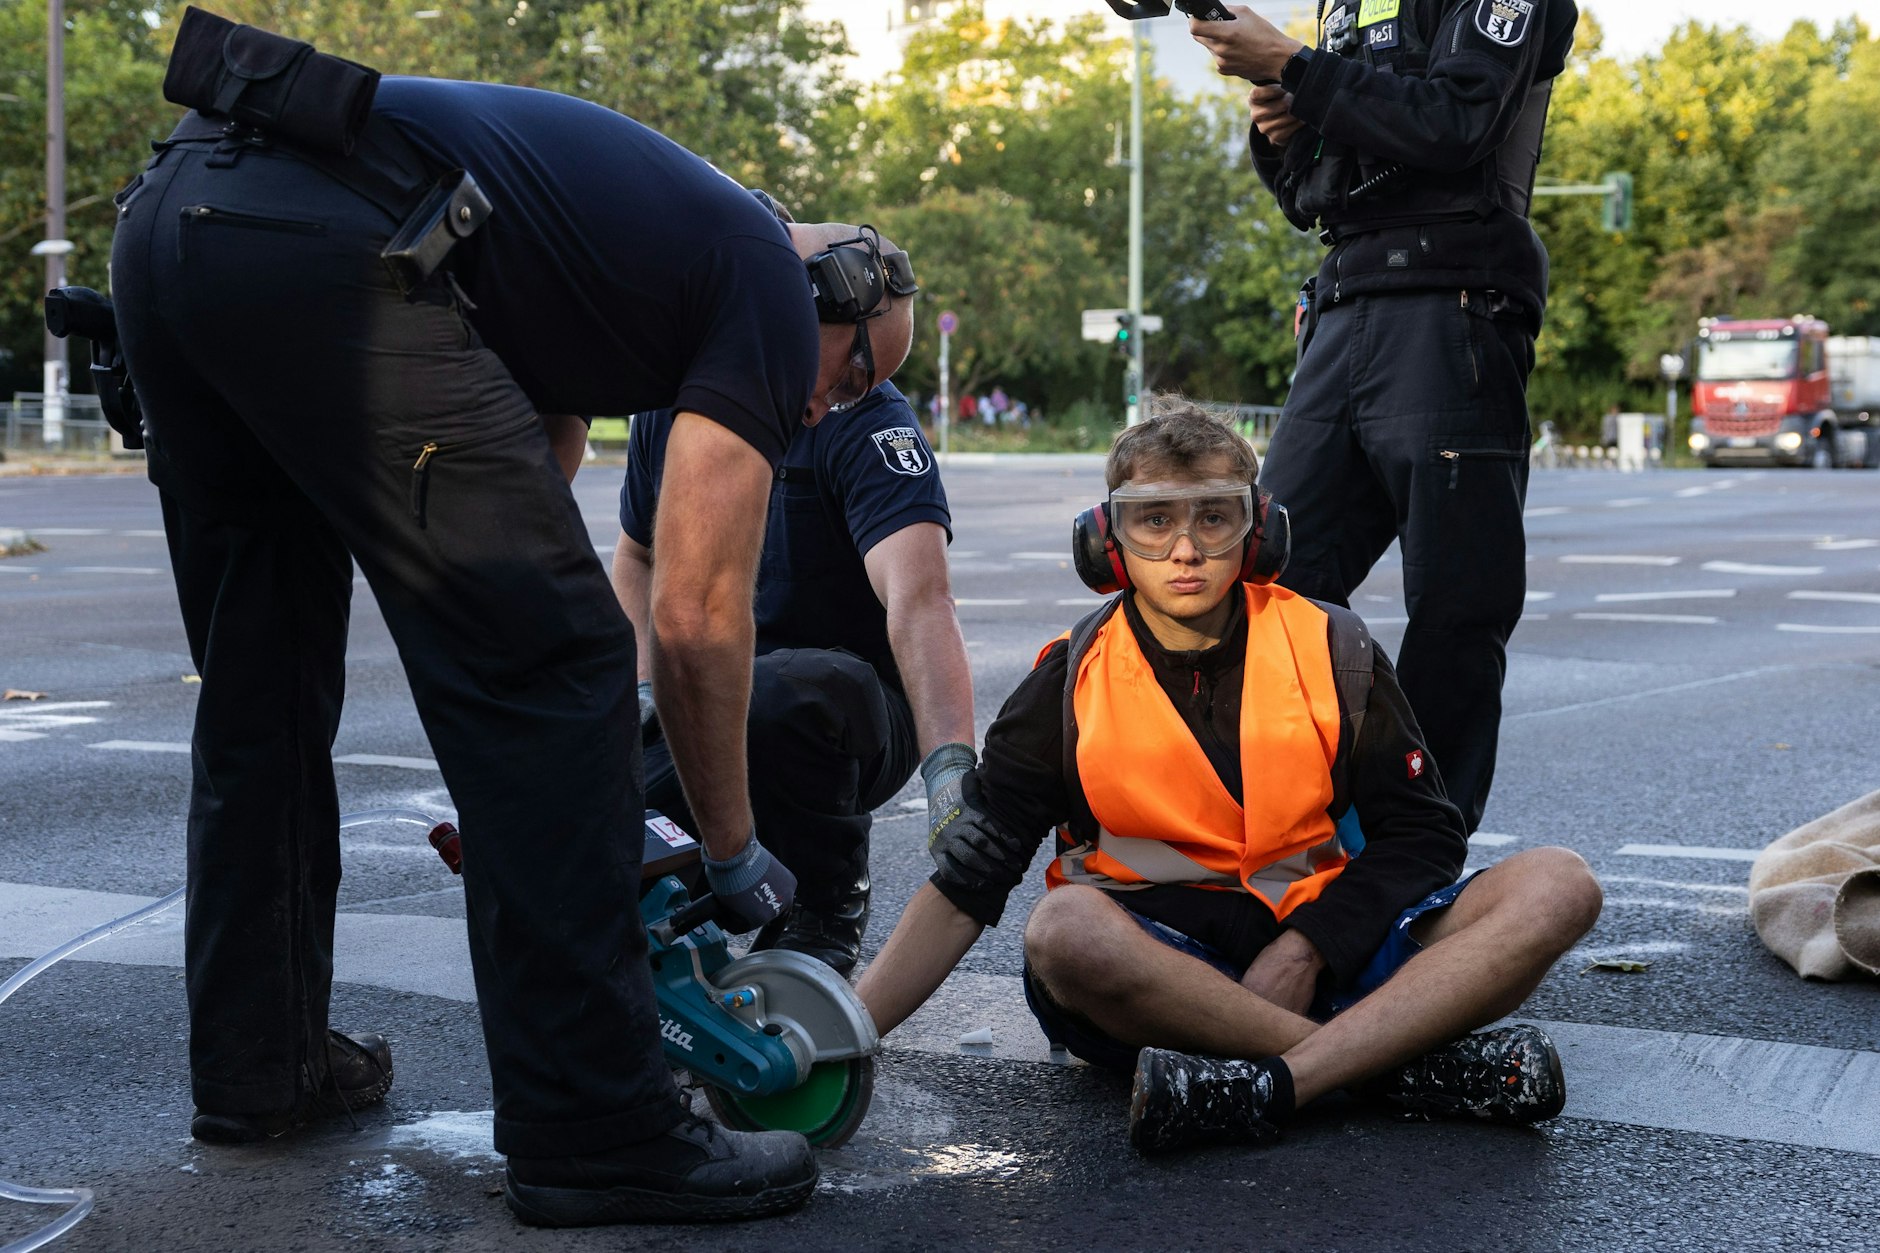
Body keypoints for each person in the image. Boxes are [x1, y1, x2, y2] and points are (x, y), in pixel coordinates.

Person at [109, 24, 916, 1227]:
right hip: (340, 246)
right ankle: (595, 1126)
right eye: (851, 373)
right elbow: (693, 618)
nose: (825, 406)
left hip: (177, 224)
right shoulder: (760, 276)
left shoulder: (632, 246)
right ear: (827, 296)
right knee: (564, 665)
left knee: (259, 685)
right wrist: (734, 849)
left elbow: (528, 464)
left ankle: (259, 1067)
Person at [856, 400, 1602, 1154]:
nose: (1185, 549)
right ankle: (1385, 1065)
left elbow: (1425, 833)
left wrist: (1307, 947)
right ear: (1106, 539)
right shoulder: (1069, 678)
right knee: (1062, 930)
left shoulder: (1332, 645)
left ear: (1259, 529)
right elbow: (970, 881)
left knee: (1560, 884)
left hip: (1329, 952)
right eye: (1153, 520)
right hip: (1162, 978)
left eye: (1214, 517)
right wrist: (847, 1032)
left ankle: (1279, 1079)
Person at [1189, 0, 1578, 834]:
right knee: (1262, 581)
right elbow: (1309, 194)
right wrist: (1281, 130)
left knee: (1454, 607)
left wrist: (1297, 69)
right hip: (1345, 297)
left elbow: (1458, 123)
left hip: (1454, 298)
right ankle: (1284, 823)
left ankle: (1418, 854)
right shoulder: (1344, 4)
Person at [613, 380, 975, 977]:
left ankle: (824, 901)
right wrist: (648, 691)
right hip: (710, 705)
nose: (857, 371)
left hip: (849, 714)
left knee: (788, 693)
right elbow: (639, 557)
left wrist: (950, 769)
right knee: (594, 801)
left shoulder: (866, 420)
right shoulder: (667, 404)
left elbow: (920, 601)